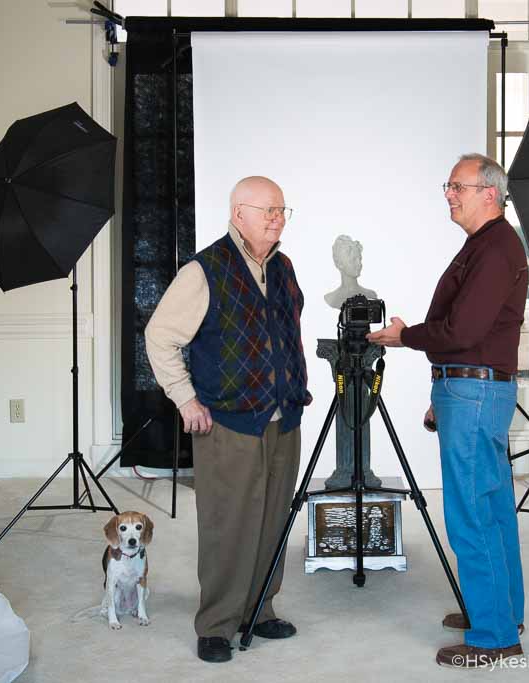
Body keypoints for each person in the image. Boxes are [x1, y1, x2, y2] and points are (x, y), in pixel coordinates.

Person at [367, 153, 529, 668]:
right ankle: (501, 611)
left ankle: (494, 635)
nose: (448, 194)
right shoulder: (486, 245)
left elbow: (463, 332)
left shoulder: (496, 249)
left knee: (473, 512)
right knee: (494, 508)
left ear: (489, 192)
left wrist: (404, 336)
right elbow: (464, 331)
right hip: (471, 391)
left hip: (474, 392)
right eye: (448, 186)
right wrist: (442, 395)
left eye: (457, 186)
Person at [145, 176, 310, 664]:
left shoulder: (282, 267)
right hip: (229, 422)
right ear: (239, 213)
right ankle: (217, 623)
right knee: (227, 524)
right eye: (268, 210)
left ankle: (258, 609)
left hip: (283, 418)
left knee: (272, 520)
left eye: (282, 210)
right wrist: (186, 400)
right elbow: (160, 336)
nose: (277, 218)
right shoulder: (205, 269)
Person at [324, 234, 377, 309]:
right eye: (353, 260)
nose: (359, 264)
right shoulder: (331, 298)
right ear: (339, 263)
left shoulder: (371, 295)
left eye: (360, 259)